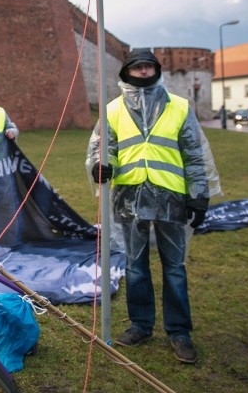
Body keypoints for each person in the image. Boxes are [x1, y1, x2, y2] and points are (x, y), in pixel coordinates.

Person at [86, 49, 220, 364]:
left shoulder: (179, 106)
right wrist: (100, 166)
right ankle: (140, 325)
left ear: (156, 70)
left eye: (148, 66)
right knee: (135, 267)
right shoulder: (113, 109)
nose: (144, 71)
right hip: (129, 198)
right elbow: (104, 147)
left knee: (174, 268)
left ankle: (179, 332)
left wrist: (198, 195)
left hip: (171, 197)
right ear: (127, 72)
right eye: (138, 67)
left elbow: (193, 153)